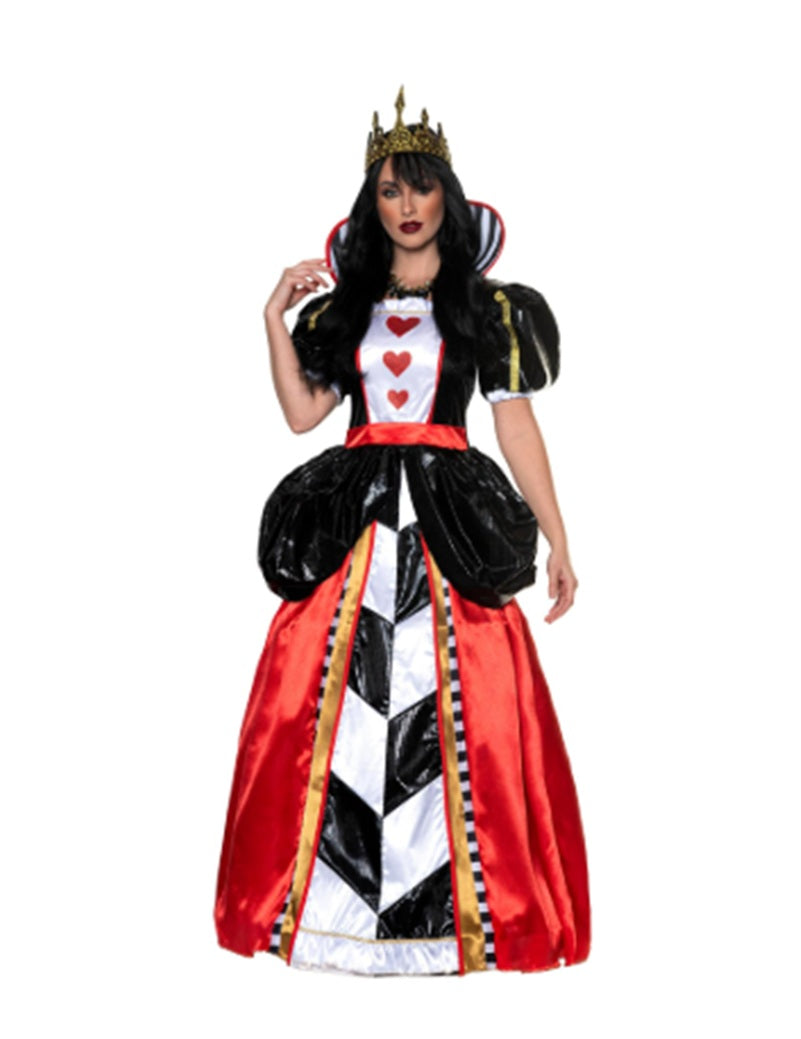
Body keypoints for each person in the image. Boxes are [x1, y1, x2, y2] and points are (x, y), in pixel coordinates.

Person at [214, 86, 591, 976]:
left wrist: (558, 538)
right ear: (372, 203)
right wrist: (271, 317)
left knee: (469, 706)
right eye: (390, 190)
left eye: (421, 187)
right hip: (356, 520)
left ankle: (463, 915)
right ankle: (330, 913)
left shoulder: (486, 308)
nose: (408, 206)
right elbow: (303, 414)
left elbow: (514, 424)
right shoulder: (342, 308)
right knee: (327, 704)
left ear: (446, 198)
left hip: (448, 522)